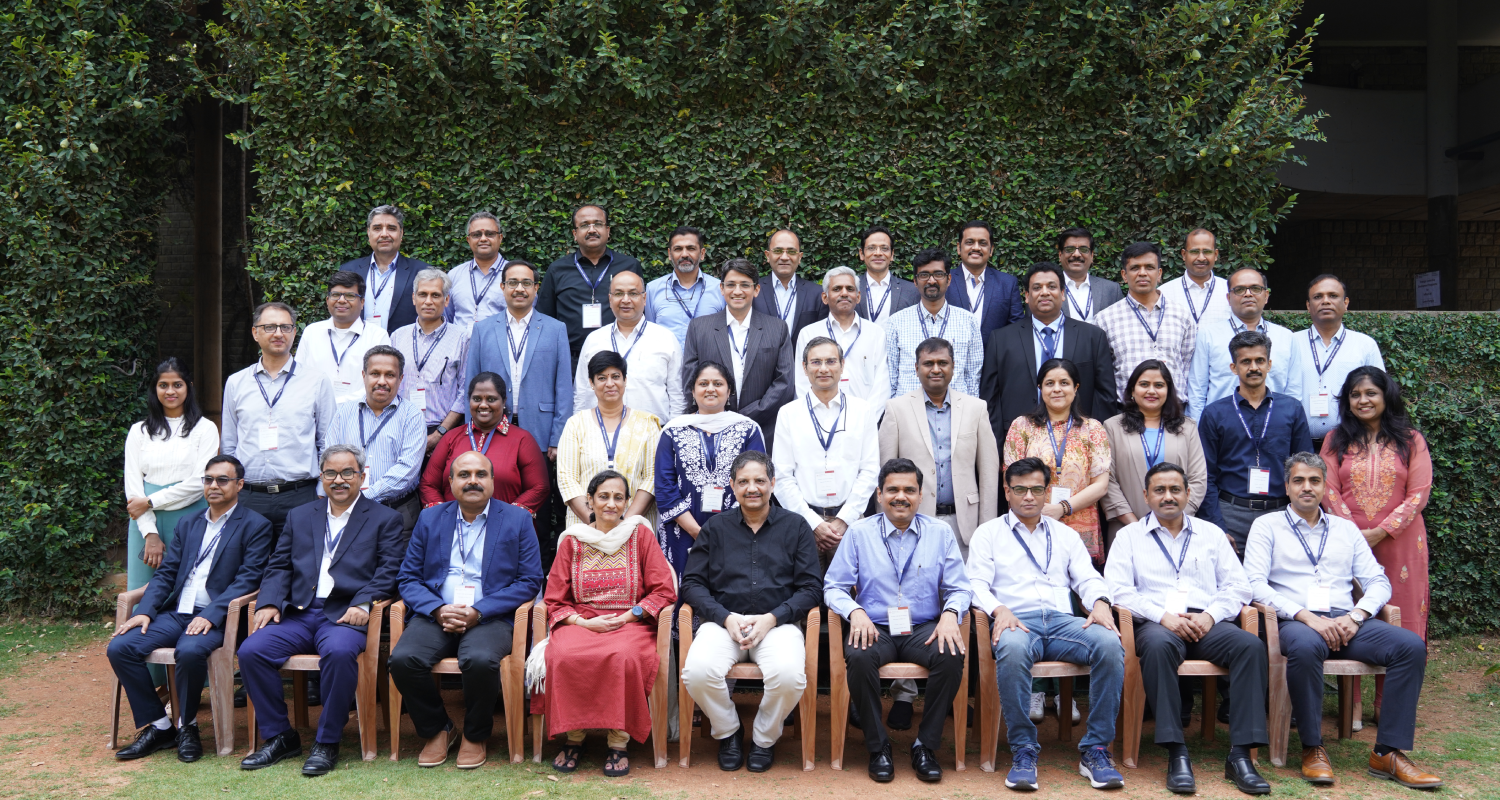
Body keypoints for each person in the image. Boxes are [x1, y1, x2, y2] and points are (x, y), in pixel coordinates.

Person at [1243, 453, 1440, 789]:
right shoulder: (1267, 526)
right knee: (1305, 649)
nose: (1307, 487)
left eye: (1314, 481)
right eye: (1299, 481)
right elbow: (1254, 584)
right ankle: (1312, 747)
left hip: (1347, 621)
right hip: (1297, 622)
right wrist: (1306, 616)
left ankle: (1388, 752)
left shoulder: (1345, 529)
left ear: (1323, 487)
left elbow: (1378, 580)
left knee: (1409, 646)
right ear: (1287, 486)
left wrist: (1357, 615)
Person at [238, 444, 405, 775]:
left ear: (361, 476)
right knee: (251, 650)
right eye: (331, 472)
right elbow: (280, 565)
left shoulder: (385, 518)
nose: (339, 480)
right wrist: (269, 601)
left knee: (340, 653)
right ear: (321, 476)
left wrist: (363, 602)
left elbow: (389, 572)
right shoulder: (300, 515)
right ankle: (280, 737)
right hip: (300, 612)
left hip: (345, 614)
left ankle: (328, 741)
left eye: (347, 473)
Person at [1104, 462, 1270, 795]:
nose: (1168, 496)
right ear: (1146, 495)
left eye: (1175, 489)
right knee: (1159, 646)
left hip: (1206, 621)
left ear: (1188, 493)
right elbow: (1117, 589)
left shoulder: (1210, 534)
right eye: (1160, 490)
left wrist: (1210, 615)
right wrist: (1163, 616)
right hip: (1157, 624)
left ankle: (1241, 757)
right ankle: (1176, 751)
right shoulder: (1129, 537)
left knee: (1250, 647)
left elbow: (1239, 586)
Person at [968, 457, 1126, 792]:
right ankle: (1024, 749)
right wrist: (999, 610)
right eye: (1020, 489)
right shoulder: (988, 534)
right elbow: (975, 584)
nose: (1029, 496)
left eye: (1037, 489)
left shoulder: (1064, 534)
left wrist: (1099, 602)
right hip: (1017, 622)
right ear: (1007, 492)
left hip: (1061, 622)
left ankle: (1095, 749)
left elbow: (1087, 577)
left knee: (1110, 644)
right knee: (1010, 648)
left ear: (1046, 492)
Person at [109, 455, 272, 763]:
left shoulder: (256, 525)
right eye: (208, 479)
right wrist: (144, 611)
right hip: (178, 613)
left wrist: (210, 615)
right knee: (121, 647)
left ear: (239, 485)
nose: (213, 486)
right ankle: (159, 727)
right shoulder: (189, 522)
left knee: (190, 651)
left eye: (222, 480)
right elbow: (167, 573)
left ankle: (188, 726)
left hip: (219, 619)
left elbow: (248, 580)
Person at [390, 450, 544, 770]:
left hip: (490, 615)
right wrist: (436, 609)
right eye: (464, 475)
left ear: (492, 480)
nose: (472, 481)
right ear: (450, 482)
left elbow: (529, 581)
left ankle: (475, 734)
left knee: (479, 659)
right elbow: (408, 577)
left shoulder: (517, 519)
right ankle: (438, 729)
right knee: (403, 660)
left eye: (480, 474)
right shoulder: (431, 517)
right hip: (437, 612)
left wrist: (480, 610)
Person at [825, 458, 973, 784]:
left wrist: (950, 614)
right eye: (892, 489)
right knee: (860, 658)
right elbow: (833, 586)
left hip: (923, 628)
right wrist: (856, 612)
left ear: (921, 495)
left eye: (909, 489)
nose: (900, 496)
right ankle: (878, 748)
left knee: (951, 656)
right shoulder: (860, 533)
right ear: (879, 494)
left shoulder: (940, 533)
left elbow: (960, 587)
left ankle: (926, 746)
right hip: (874, 626)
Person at [680, 451, 822, 773]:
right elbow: (691, 584)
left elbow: (812, 588)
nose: (752, 488)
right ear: (732, 485)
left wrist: (773, 617)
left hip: (777, 623)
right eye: (743, 481)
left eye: (759, 480)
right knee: (697, 672)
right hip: (724, 622)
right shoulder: (715, 528)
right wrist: (725, 617)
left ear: (773, 483)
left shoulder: (796, 527)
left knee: (788, 675)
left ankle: (763, 738)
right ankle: (729, 731)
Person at [532, 470, 677, 777]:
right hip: (580, 623)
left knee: (623, 657)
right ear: (590, 500)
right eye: (603, 496)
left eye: (618, 497)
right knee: (563, 656)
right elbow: (555, 598)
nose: (611, 504)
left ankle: (618, 742)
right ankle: (574, 737)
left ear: (627, 503)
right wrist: (584, 624)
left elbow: (664, 589)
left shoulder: (640, 535)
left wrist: (628, 617)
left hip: (631, 624)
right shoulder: (572, 541)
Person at [1321, 366, 1432, 640]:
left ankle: (1400, 679)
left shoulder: (1411, 440)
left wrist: (1381, 531)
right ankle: (1352, 683)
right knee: (1352, 610)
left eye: (1371, 393)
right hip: (1349, 541)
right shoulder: (1336, 440)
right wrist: (1355, 535)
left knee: (1403, 610)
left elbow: (1419, 494)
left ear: (1386, 396)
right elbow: (1328, 489)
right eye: (1355, 394)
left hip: (1401, 540)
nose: (1363, 400)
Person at [221, 302, 336, 540]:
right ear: (255, 332)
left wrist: (321, 491)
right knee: (250, 571)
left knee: (299, 570)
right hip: (250, 497)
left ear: (294, 332)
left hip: (300, 495)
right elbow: (230, 445)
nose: (278, 333)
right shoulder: (236, 383)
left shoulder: (317, 381)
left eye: (285, 327)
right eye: (270, 327)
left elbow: (328, 443)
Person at [879, 337, 999, 558]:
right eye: (928, 363)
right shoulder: (896, 409)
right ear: (916, 368)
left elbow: (989, 475)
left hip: (965, 525)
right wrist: (889, 526)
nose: (936, 369)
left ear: (953, 367)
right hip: (911, 522)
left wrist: (987, 530)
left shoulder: (976, 408)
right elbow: (885, 475)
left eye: (942, 363)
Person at [1197, 331, 1314, 555]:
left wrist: (1302, 516)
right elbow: (1206, 475)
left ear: (1269, 364)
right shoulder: (1214, 413)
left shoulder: (1292, 409)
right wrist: (1217, 526)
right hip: (1231, 513)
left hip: (1280, 512)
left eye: (1259, 361)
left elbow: (1305, 468)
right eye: (1245, 362)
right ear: (1234, 367)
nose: (1253, 367)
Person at [981, 262, 1118, 448]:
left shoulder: (1092, 336)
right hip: (1020, 444)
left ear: (1063, 294)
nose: (1044, 292)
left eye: (1052, 287)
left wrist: (1096, 443)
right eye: (1037, 288)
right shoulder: (1001, 339)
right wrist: (997, 448)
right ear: (1027, 296)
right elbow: (991, 399)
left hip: (1079, 441)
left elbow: (1105, 396)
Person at [773, 337, 880, 563]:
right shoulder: (788, 413)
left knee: (852, 594)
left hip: (851, 523)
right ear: (804, 367)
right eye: (815, 362)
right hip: (803, 524)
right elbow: (782, 477)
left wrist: (843, 519)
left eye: (831, 361)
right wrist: (814, 523)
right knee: (807, 595)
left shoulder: (862, 410)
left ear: (842, 365)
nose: (823, 369)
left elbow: (870, 470)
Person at [654, 361, 766, 577]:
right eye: (703, 383)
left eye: (718, 383)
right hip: (683, 530)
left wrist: (726, 531)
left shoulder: (748, 429)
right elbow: (664, 487)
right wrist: (697, 531)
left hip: (738, 530)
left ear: (729, 390)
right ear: (693, 391)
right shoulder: (672, 431)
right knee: (686, 589)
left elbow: (757, 481)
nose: (710, 389)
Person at [124, 358, 219, 595]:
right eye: (163, 385)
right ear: (155, 388)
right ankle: (136, 631)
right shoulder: (139, 431)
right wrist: (150, 532)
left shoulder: (205, 429)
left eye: (177, 385)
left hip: (188, 514)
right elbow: (133, 486)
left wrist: (151, 501)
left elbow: (200, 483)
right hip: (145, 520)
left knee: (186, 587)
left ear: (189, 386)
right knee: (141, 589)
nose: (170, 391)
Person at [1003, 358, 1113, 562]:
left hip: (1081, 523)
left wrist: (1061, 508)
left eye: (1064, 383)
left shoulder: (1093, 428)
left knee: (1080, 587)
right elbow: (1011, 482)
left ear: (1076, 387)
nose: (1057, 389)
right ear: (1040, 388)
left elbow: (1101, 485)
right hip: (1033, 521)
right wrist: (1039, 512)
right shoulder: (1022, 427)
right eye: (1049, 383)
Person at [681, 258, 795, 450]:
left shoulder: (777, 328)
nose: (737, 291)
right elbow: (690, 379)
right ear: (722, 289)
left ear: (756, 290)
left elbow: (784, 382)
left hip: (762, 429)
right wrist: (719, 414)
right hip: (710, 429)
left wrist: (749, 414)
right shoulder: (699, 328)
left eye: (745, 285)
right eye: (731, 285)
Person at [466, 259, 572, 458]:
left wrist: (558, 438)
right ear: (503, 287)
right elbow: (470, 385)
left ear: (536, 288)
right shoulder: (482, 329)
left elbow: (564, 388)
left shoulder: (556, 329)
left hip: (540, 430)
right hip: (490, 428)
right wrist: (470, 432)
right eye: (513, 283)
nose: (519, 289)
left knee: (539, 488)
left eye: (526, 283)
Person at [328, 346, 427, 541]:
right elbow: (330, 459)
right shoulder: (344, 413)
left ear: (400, 379)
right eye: (375, 373)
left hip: (398, 511)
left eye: (390, 375)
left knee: (394, 570)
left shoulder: (413, 416)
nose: (382, 381)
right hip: (348, 511)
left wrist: (363, 496)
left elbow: (407, 469)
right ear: (364, 375)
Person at [556, 352, 661, 528]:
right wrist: (595, 521)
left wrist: (624, 524)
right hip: (586, 528)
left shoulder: (647, 425)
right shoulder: (576, 424)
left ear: (625, 380)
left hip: (634, 527)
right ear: (591, 383)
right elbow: (567, 479)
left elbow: (652, 478)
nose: (610, 383)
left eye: (616, 377)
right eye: (602, 378)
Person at [1187, 267, 1306, 420]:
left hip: (1274, 427)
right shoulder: (1208, 336)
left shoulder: (1286, 337)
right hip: (1222, 429)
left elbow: (1293, 392)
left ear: (1266, 295)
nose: (1248, 294)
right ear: (1228, 298)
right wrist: (1198, 434)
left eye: (1255, 288)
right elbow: (1197, 390)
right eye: (1240, 289)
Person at [421, 373, 548, 515]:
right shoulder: (451, 438)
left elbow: (539, 487)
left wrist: (510, 519)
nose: (483, 404)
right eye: (476, 399)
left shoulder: (522, 439)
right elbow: (428, 484)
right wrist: (443, 517)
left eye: (491, 399)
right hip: (454, 529)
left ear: (504, 401)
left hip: (504, 530)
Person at [537, 205, 645, 367]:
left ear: (608, 231)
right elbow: (545, 318)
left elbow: (641, 313)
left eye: (598, 224)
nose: (592, 229)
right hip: (572, 360)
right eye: (585, 225)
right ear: (575, 234)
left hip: (621, 356)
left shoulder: (629, 266)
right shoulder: (557, 270)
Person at [1103, 360, 1207, 525]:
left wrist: (1173, 519)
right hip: (1126, 527)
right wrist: (1134, 525)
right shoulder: (1112, 427)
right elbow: (1107, 480)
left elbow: (1198, 480)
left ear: (1168, 391)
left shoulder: (1187, 427)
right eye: (1144, 384)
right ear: (1132, 390)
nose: (1151, 391)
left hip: (1176, 525)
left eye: (1159, 385)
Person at [1092, 242, 1197, 403]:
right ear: (1124, 275)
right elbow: (1102, 374)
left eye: (1149, 267)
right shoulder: (1105, 319)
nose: (1142, 273)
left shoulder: (1182, 316)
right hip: (1126, 414)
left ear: (1159, 273)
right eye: (1135, 268)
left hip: (1174, 413)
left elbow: (1188, 367)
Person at [577, 270, 685, 422]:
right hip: (600, 435)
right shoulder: (594, 340)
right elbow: (582, 393)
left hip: (653, 436)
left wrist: (673, 435)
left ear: (644, 298)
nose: (625, 300)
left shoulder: (665, 339)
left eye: (633, 294)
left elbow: (678, 395)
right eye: (619, 293)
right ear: (610, 298)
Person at [794, 266, 891, 421]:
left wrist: (865, 420)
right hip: (820, 422)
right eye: (837, 289)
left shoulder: (876, 333)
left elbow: (882, 385)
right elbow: (802, 382)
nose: (844, 293)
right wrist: (821, 418)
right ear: (825, 297)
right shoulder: (808, 334)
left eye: (850, 289)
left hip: (864, 422)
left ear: (858, 296)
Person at [1299, 275, 1385, 445]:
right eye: (1318, 297)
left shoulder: (1365, 345)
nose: (1325, 301)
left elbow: (1381, 395)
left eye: (1333, 295)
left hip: (1352, 443)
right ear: (1308, 306)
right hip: (1299, 444)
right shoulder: (1291, 343)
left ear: (1346, 303)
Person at [886, 249, 984, 397]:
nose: (931, 281)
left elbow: (973, 377)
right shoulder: (896, 322)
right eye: (924, 275)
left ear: (949, 279)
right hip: (909, 411)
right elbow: (890, 377)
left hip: (956, 411)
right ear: (915, 281)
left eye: (938, 274)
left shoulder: (968, 321)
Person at [391, 268, 469, 451]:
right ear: (413, 298)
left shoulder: (462, 338)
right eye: (422, 294)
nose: (428, 301)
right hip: (402, 429)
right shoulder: (397, 337)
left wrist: (441, 432)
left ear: (446, 300)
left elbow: (465, 390)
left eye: (435, 295)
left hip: (444, 432)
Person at [294, 270, 393, 406]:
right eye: (335, 295)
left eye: (350, 296)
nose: (341, 300)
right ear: (327, 300)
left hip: (361, 414)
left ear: (362, 302)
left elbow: (380, 384)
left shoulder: (377, 336)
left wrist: (334, 404)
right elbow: (298, 377)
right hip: (315, 415)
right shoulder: (312, 332)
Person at [339, 205, 422, 332]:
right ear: (368, 233)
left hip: (401, 349)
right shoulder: (349, 270)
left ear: (401, 233)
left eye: (391, 228)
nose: (384, 234)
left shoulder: (421, 272)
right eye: (377, 228)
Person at [644, 225, 724, 344]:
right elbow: (649, 334)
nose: (684, 254)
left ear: (702, 253)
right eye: (678, 249)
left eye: (691, 248)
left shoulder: (719, 289)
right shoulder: (653, 289)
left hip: (708, 362)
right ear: (670, 254)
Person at [946, 220, 1024, 340]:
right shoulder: (944, 281)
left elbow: (1017, 328)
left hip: (994, 357)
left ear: (991, 250)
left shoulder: (1007, 284)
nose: (976, 247)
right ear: (959, 248)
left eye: (982, 243)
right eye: (969, 242)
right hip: (953, 357)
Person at [753, 229, 828, 340]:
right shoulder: (752, 291)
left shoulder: (817, 294)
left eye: (791, 252)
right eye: (778, 251)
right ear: (767, 255)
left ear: (800, 257)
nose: (784, 257)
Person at [445, 211, 511, 329]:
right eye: (476, 235)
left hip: (501, 346)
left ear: (500, 238)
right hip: (461, 346)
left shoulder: (515, 274)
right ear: (468, 240)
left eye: (490, 234)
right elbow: (446, 316)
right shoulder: (454, 275)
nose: (483, 239)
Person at [1159, 228, 1232, 328]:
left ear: (1215, 255)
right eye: (1194, 251)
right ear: (1184, 255)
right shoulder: (1164, 293)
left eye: (1207, 251)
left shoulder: (1230, 290)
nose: (1201, 258)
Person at [1055, 227, 1124, 325]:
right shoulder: (1045, 289)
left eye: (1083, 249)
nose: (1076, 254)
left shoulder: (1111, 290)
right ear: (1060, 255)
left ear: (1092, 256)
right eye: (1070, 249)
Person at [854, 224, 918, 324]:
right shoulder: (850, 288)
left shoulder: (912, 291)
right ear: (862, 254)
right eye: (871, 248)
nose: (878, 253)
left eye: (884, 248)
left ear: (892, 254)